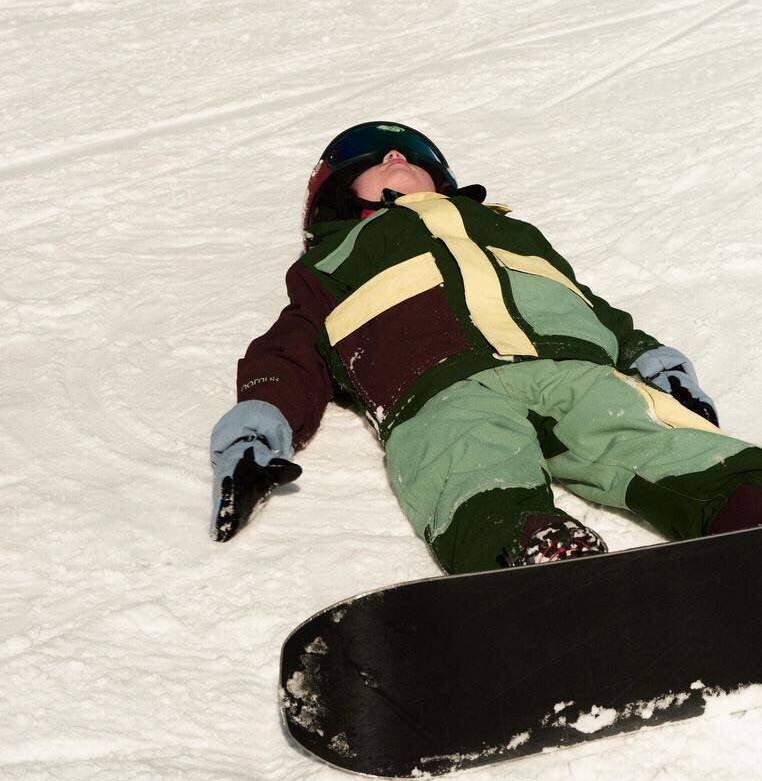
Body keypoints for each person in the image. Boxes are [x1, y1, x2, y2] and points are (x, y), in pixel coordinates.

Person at [209, 121, 762, 572]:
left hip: (570, 364)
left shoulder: (510, 230)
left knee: (656, 439)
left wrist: (654, 364)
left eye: (411, 156)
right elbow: (289, 350)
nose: (396, 155)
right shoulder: (330, 261)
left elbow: (588, 305)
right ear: (336, 197)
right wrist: (255, 432)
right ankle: (531, 552)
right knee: (466, 463)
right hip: (436, 386)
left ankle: (746, 505)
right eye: (373, 160)